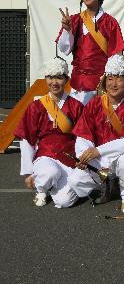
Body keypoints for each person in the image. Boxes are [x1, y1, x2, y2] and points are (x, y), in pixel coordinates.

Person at [68, 55, 124, 213]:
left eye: (119, 78)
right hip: (99, 158)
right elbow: (83, 132)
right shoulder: (95, 103)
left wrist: (99, 150)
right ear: (104, 81)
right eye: (110, 78)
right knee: (75, 180)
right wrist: (84, 155)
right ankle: (106, 184)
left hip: (122, 155)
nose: (114, 84)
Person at [15, 57, 84, 208]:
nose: (54, 82)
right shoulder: (36, 106)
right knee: (50, 172)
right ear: (45, 78)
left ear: (66, 79)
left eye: (59, 77)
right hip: (45, 156)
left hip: (69, 157)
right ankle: (42, 189)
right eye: (50, 77)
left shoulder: (76, 106)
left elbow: (82, 136)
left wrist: (82, 158)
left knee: (64, 202)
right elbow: (27, 138)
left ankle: (56, 186)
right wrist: (28, 172)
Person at [56, 0, 124, 105]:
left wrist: (109, 85)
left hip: (99, 86)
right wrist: (67, 30)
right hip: (76, 84)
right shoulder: (74, 20)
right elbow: (64, 49)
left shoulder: (110, 22)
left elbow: (116, 57)